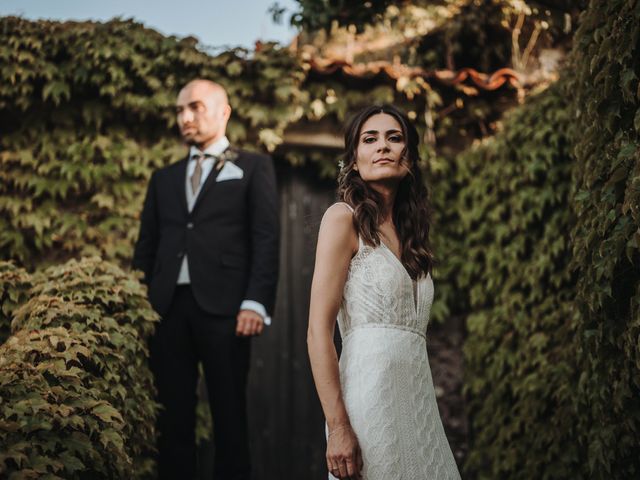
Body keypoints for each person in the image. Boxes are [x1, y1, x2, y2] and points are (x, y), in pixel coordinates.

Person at [132, 79, 279, 480]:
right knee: (172, 420)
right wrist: (141, 304)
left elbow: (265, 238)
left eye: (194, 107)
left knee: (229, 418)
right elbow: (146, 247)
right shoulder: (163, 178)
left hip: (227, 311)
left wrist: (255, 302)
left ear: (224, 111)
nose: (184, 117)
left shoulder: (253, 166)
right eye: (180, 110)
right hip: (167, 311)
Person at [307, 104, 461, 480]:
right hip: (367, 404)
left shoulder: (413, 237)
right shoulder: (342, 219)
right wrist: (339, 427)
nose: (384, 147)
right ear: (354, 160)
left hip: (418, 404)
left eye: (395, 138)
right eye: (370, 139)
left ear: (410, 157)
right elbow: (317, 333)